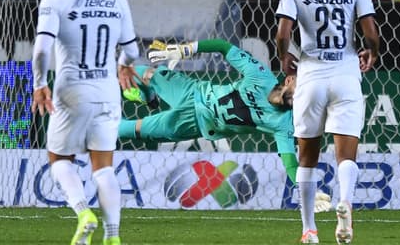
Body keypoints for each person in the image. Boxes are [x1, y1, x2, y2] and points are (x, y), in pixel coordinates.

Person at [31, 0, 140, 245]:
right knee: (104, 168)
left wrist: (40, 83)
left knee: (59, 159)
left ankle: (83, 212)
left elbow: (41, 50)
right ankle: (113, 240)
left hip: (71, 91)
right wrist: (123, 66)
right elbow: (132, 50)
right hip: (107, 91)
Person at [275, 0, 380, 245]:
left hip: (311, 74)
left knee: (307, 157)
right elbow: (370, 31)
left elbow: (282, 34)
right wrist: (371, 51)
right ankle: (344, 202)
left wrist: (284, 57)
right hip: (345, 72)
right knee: (346, 154)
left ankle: (309, 230)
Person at [127, 39, 302, 192]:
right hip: (193, 91)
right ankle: (145, 94)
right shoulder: (260, 74)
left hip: (193, 123)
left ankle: (135, 104)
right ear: (289, 80)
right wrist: (186, 49)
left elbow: (290, 164)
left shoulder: (283, 124)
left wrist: (306, 190)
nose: (302, 97)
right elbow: (223, 46)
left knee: (132, 129)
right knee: (144, 73)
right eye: (301, 90)